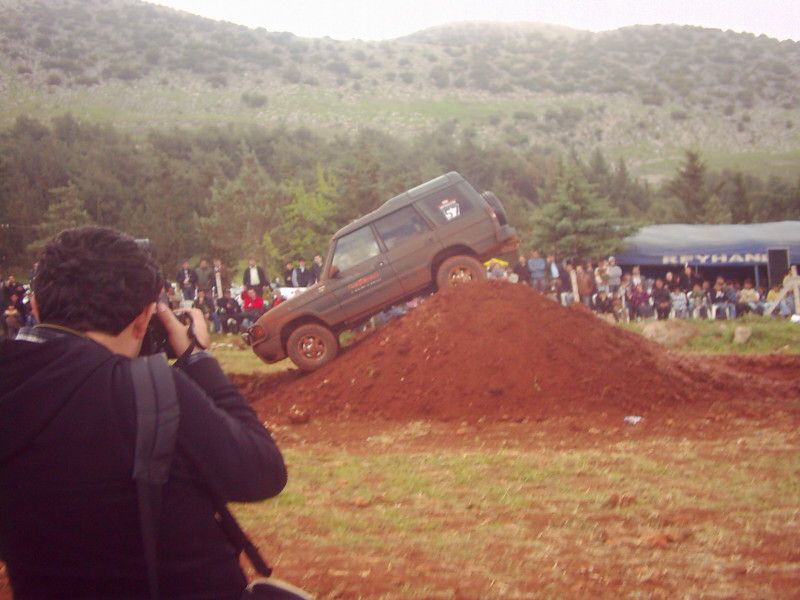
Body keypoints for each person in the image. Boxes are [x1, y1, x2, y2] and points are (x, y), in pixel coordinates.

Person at [0, 227, 287, 599]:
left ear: (36, 307)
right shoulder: (151, 390)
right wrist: (198, 359)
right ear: (144, 318)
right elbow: (262, 472)